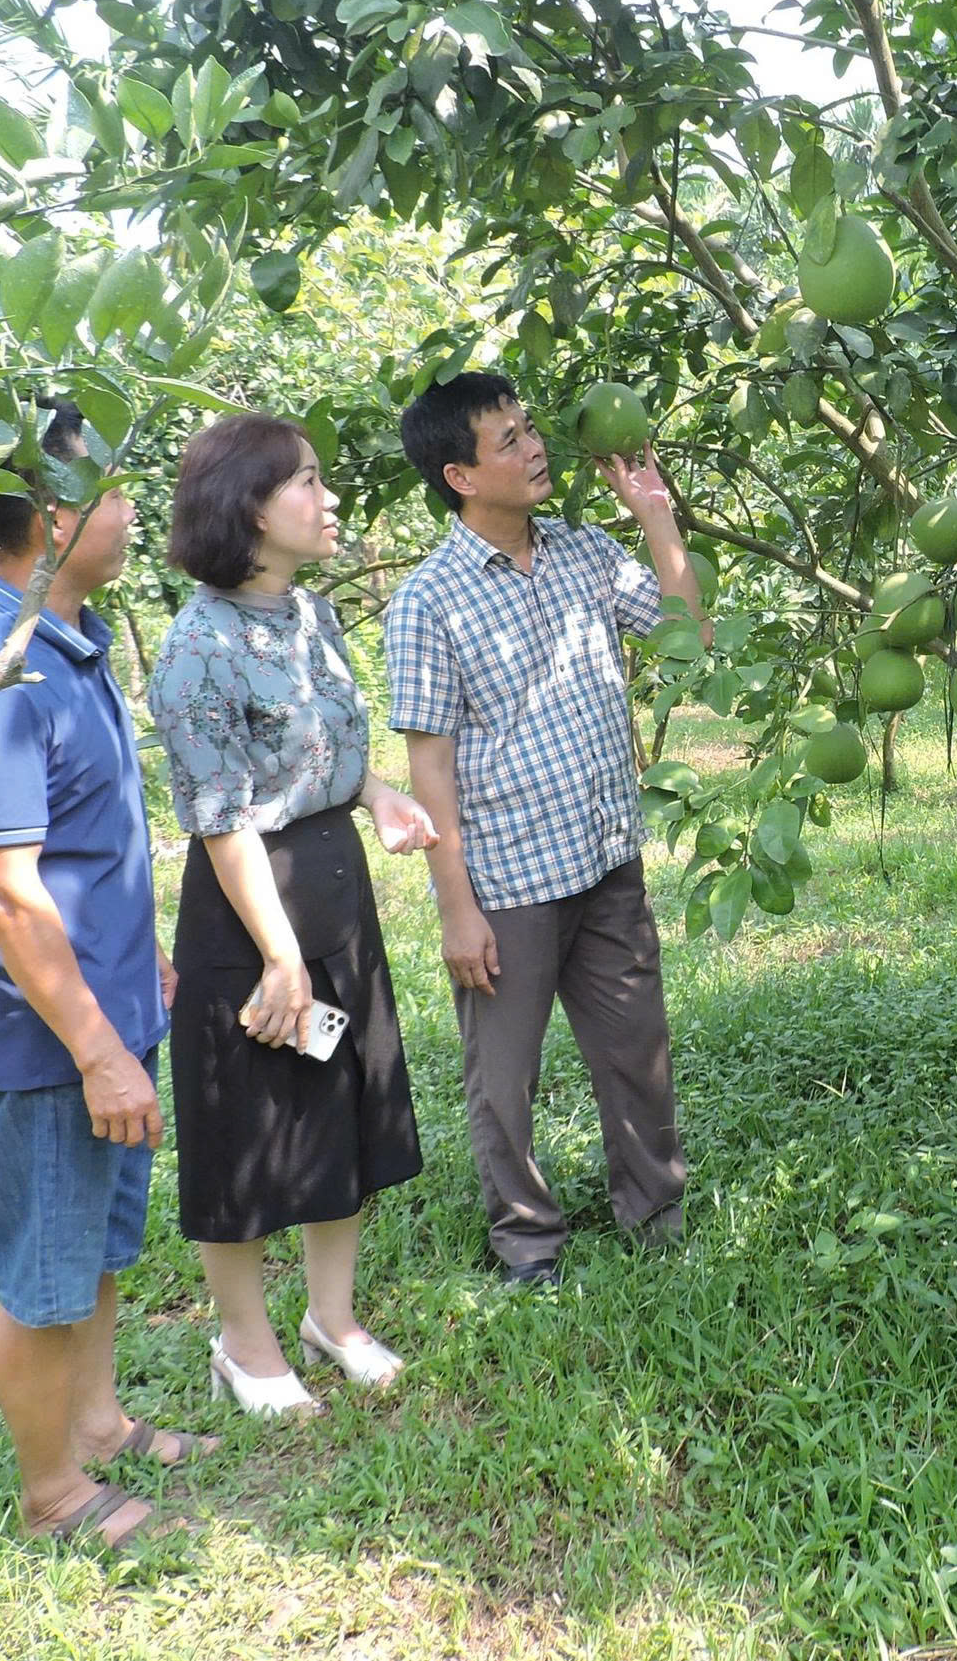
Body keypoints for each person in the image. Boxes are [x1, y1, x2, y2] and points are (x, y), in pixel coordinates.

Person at [0, 403, 212, 1551]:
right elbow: (7, 891)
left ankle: (97, 1420)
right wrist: (93, 1044)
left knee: (93, 1242)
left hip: (107, 1006)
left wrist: (143, 968)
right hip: (49, 1038)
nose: (133, 511)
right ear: (52, 515)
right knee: (45, 1267)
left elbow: (84, 845)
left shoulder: (65, 642)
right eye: (114, 491)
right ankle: (51, 1492)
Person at [147, 413, 436, 1416]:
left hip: (332, 886)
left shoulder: (311, 616)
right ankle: (242, 1339)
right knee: (248, 1121)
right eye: (307, 483)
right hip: (248, 910)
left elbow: (325, 751)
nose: (330, 499)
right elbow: (222, 818)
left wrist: (379, 794)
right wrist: (278, 954)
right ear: (247, 506)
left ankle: (332, 1316)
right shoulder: (195, 647)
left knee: (341, 1103)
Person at [384, 374, 702, 1287]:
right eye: (508, 440)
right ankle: (527, 1242)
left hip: (604, 854)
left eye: (529, 429)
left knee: (636, 1049)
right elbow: (429, 765)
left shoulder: (584, 552)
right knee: (504, 1080)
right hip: (509, 878)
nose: (535, 447)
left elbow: (689, 637)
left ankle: (657, 1213)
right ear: (460, 475)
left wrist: (657, 519)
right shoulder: (429, 599)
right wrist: (456, 907)